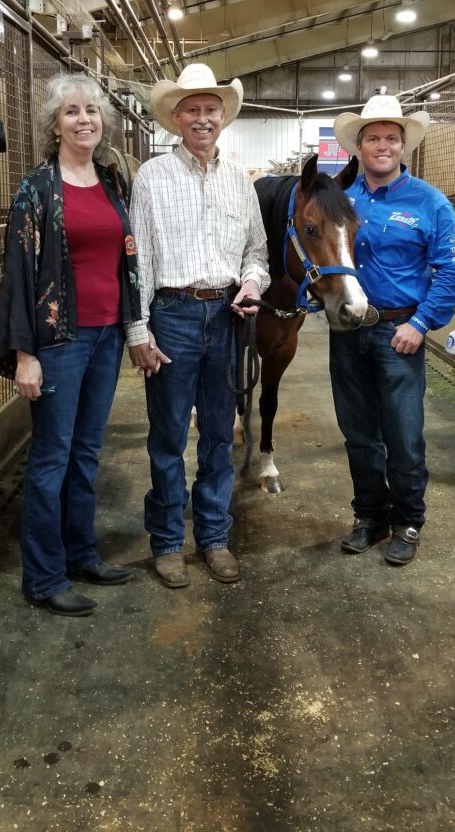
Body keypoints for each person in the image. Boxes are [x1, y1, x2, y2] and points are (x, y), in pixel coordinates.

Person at [0, 73, 142, 615]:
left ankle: (82, 553)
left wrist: (132, 326)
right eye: (72, 112)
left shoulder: (110, 181)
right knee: (51, 458)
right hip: (59, 339)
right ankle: (44, 575)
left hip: (104, 336)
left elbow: (125, 259)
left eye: (92, 111)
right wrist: (25, 353)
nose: (84, 119)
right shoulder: (36, 188)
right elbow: (18, 273)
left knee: (85, 453)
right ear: (54, 126)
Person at [126, 63, 270, 588]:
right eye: (193, 109)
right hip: (174, 313)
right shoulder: (151, 177)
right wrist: (138, 329)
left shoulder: (240, 181)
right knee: (167, 436)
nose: (203, 118)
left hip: (227, 316)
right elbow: (137, 260)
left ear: (222, 118)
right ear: (176, 117)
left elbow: (257, 253)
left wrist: (252, 285)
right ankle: (167, 541)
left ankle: (213, 537)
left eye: (211, 109)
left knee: (216, 435)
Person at [330, 95, 455, 565]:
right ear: (359, 146)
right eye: (373, 137)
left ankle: (408, 520)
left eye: (392, 137)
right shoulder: (343, 202)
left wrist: (420, 322)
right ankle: (369, 515)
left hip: (399, 333)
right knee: (358, 432)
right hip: (348, 331)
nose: (383, 145)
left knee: (404, 435)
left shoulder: (429, 202)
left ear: (404, 146)